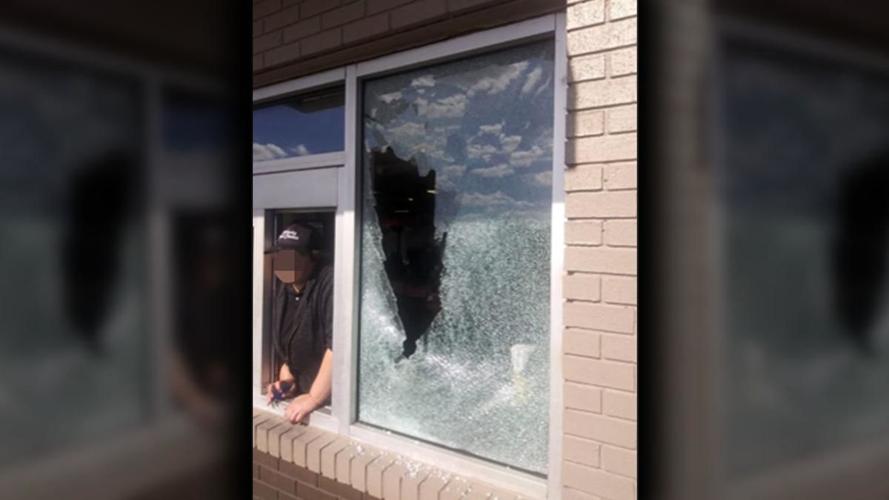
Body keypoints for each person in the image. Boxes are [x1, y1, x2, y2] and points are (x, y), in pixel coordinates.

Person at [266, 223, 333, 424]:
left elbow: (339, 346)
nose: (284, 263)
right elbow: (290, 345)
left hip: (334, 405)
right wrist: (287, 380)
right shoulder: (284, 288)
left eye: (293, 256)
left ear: (313, 257)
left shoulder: (330, 283)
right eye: (280, 255)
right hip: (303, 391)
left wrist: (314, 398)